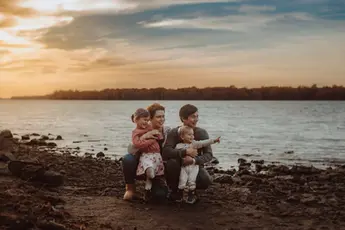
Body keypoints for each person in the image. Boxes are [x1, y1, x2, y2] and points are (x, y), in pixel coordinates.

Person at [163, 104, 214, 203]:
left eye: (197, 116)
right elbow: (166, 151)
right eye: (193, 117)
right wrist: (184, 152)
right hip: (178, 166)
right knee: (171, 163)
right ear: (183, 118)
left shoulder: (201, 133)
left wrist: (194, 160)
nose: (196, 119)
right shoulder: (175, 132)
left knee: (206, 180)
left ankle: (192, 190)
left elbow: (209, 155)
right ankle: (175, 190)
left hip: (195, 166)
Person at [122, 103, 171, 201]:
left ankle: (161, 186)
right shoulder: (142, 129)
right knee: (127, 159)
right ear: (150, 118)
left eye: (163, 116)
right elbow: (131, 150)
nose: (162, 119)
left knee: (159, 196)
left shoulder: (168, 131)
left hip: (159, 165)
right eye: (158, 117)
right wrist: (145, 136)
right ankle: (130, 189)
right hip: (144, 163)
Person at [175, 125, 220, 204]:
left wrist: (214, 140)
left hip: (194, 166)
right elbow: (175, 155)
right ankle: (180, 195)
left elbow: (204, 142)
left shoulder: (194, 144)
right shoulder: (178, 146)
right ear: (182, 137)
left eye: (193, 134)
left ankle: (191, 195)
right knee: (182, 180)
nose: (192, 136)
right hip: (184, 167)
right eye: (189, 135)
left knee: (192, 181)